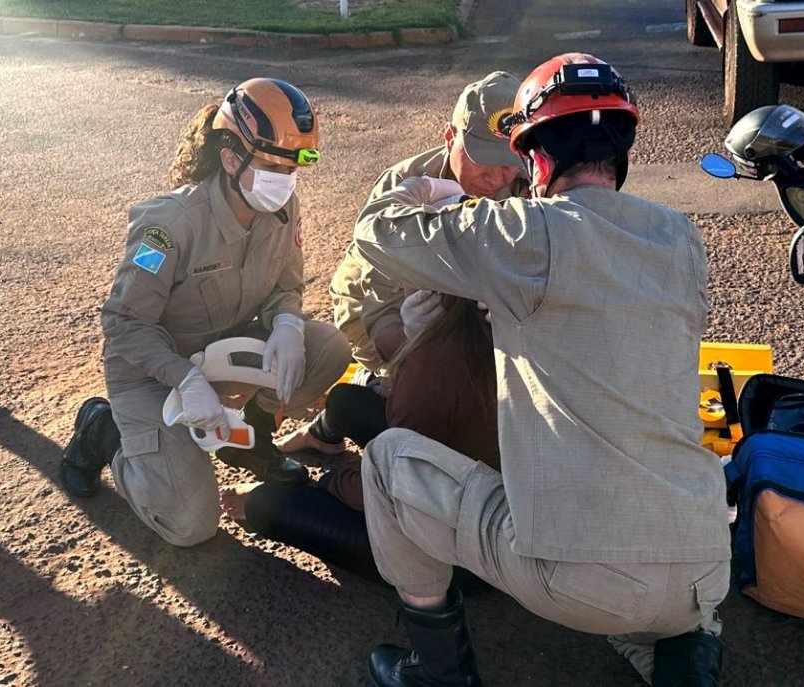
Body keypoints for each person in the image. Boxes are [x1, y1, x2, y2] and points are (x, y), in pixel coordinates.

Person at [351, 54, 731, 687]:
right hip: (702, 570)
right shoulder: (680, 238)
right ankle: (686, 660)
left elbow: (376, 233)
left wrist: (421, 190)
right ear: (621, 151)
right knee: (647, 584)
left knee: (388, 461)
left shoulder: (527, 236)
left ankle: (439, 672)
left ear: (538, 160)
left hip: (581, 578)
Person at [58, 78, 351, 547]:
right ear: (231, 157)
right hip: (152, 371)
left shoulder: (282, 206)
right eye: (275, 164)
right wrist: (185, 379)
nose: (288, 179)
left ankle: (250, 438)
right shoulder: (168, 226)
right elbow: (124, 324)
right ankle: (103, 431)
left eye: (297, 166)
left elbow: (286, 285)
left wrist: (289, 322)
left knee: (326, 350)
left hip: (222, 349)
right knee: (191, 525)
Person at [218, 292, 499, 585]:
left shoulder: (434, 364)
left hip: (466, 550)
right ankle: (322, 435)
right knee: (344, 401)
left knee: (267, 505)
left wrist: (331, 482)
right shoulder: (496, 324)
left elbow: (400, 488)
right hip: (486, 499)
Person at [329, 71, 527, 377]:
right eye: (481, 160)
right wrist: (412, 343)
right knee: (416, 389)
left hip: (469, 311)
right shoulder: (402, 190)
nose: (496, 178)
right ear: (450, 138)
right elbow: (378, 312)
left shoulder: (533, 183)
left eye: (507, 164)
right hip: (382, 311)